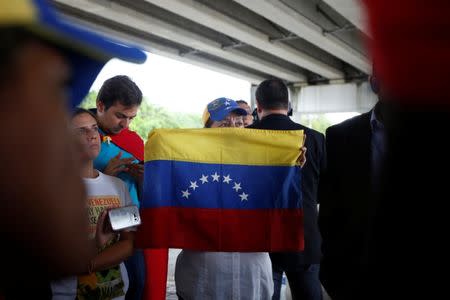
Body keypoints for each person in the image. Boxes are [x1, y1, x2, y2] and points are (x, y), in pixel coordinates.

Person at [0, 1, 146, 298]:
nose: (90, 140)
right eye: (49, 95)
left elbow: (130, 239)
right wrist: (90, 261)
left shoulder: (117, 183)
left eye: (93, 131)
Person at [174, 97, 274, 300]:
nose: (233, 129)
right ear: (206, 130)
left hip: (251, 277)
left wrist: (290, 166)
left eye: (238, 123)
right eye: (224, 123)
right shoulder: (187, 165)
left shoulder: (264, 162)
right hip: (203, 278)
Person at [248, 79, 325, 300]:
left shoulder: (243, 138)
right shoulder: (315, 138)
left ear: (258, 106)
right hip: (303, 235)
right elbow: (323, 190)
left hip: (259, 238)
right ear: (288, 104)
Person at [92, 76, 167, 300]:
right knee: (98, 282)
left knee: (137, 281)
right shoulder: (83, 133)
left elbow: (148, 195)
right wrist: (104, 177)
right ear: (100, 105)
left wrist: (144, 179)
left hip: (129, 215)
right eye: (120, 116)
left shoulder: (133, 140)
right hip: (93, 218)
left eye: (132, 117)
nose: (125, 125)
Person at [318, 72, 388, 299]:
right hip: (353, 276)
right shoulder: (340, 135)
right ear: (374, 81)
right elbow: (329, 210)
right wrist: (331, 273)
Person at [52, 108, 135, 299]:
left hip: (115, 293)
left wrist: (88, 263)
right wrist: (96, 244)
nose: (92, 136)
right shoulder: (51, 190)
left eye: (94, 128)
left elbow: (129, 243)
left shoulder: (119, 186)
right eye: (81, 131)